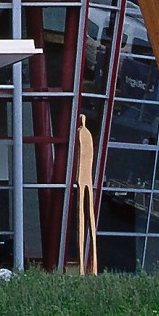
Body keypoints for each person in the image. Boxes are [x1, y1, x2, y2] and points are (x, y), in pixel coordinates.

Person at [73, 114, 99, 275]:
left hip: (83, 179)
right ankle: (90, 266)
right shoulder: (87, 135)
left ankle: (86, 267)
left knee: (84, 219)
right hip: (86, 178)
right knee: (88, 218)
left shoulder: (83, 134)